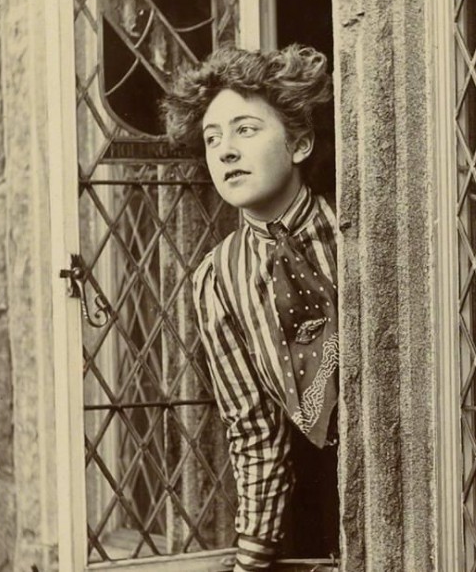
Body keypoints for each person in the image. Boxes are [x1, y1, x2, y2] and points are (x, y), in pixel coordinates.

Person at [162, 43, 339, 571]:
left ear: (300, 143)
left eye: (246, 129)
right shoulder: (216, 281)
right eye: (213, 139)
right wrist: (250, 563)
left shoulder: (357, 231)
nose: (225, 151)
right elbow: (254, 431)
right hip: (322, 507)